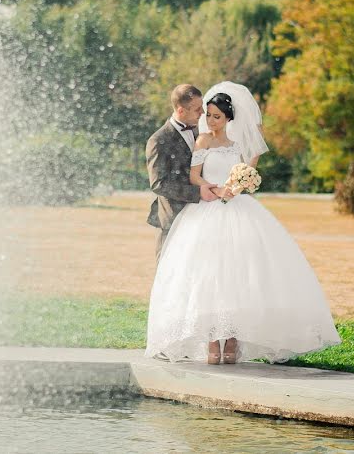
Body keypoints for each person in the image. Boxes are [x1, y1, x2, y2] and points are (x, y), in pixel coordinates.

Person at [145, 82, 341, 365]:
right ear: (181, 109)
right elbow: (181, 178)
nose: (206, 118)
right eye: (203, 112)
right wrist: (208, 189)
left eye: (213, 114)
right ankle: (199, 339)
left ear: (228, 119)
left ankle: (234, 340)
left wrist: (237, 185)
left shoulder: (234, 146)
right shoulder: (182, 140)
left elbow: (245, 168)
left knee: (240, 275)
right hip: (198, 212)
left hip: (234, 211)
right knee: (200, 277)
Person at [145, 84, 220, 262]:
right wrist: (197, 192)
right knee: (168, 274)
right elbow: (158, 184)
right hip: (173, 218)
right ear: (180, 110)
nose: (202, 113)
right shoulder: (158, 140)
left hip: (202, 216)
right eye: (196, 109)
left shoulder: (200, 133)